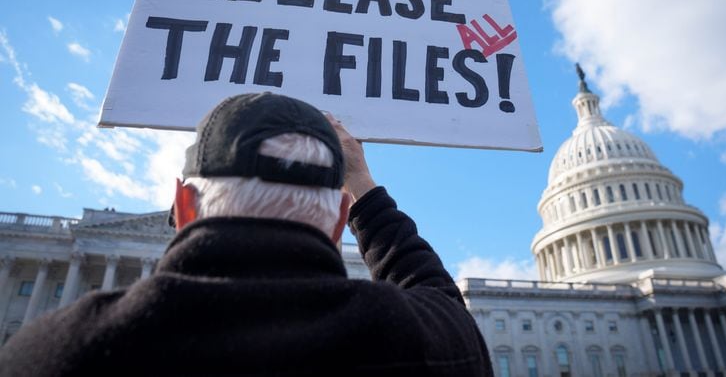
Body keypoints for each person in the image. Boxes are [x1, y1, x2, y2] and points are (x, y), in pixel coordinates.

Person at [0, 93, 493, 376]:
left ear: (183, 207)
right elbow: (447, 308)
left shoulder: (48, 355)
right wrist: (363, 187)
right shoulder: (410, 342)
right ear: (342, 222)